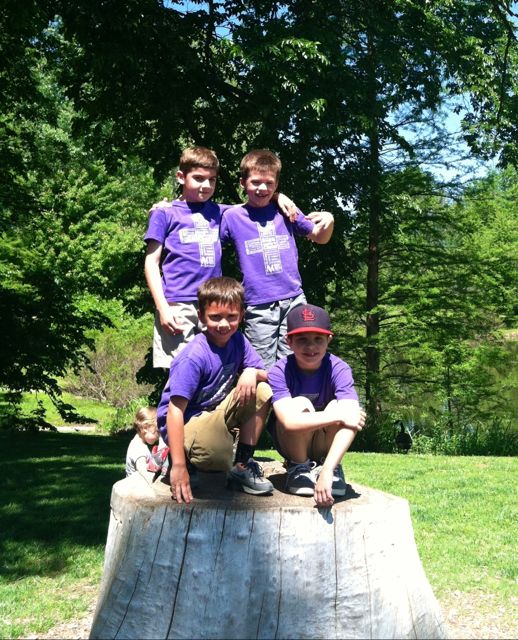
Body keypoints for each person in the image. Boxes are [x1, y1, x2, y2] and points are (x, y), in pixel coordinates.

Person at [144, 146, 297, 370]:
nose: (206, 185)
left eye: (212, 180)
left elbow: (254, 201)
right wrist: (162, 307)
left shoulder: (220, 212)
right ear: (181, 177)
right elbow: (151, 262)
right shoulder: (164, 213)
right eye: (198, 178)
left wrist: (278, 196)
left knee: (215, 367)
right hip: (177, 302)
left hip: (214, 304)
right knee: (181, 370)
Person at [156, 276, 274, 504]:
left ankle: (242, 465)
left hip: (214, 411)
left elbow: (266, 375)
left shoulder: (238, 341)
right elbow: (174, 411)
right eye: (215, 317)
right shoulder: (194, 356)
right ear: (201, 316)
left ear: (241, 315)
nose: (223, 324)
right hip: (186, 420)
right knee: (219, 457)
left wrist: (251, 371)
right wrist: (178, 466)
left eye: (231, 316)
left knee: (262, 390)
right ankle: (180, 459)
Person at [219, 149, 335, 369]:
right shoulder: (232, 216)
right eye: (255, 182)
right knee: (261, 366)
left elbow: (320, 237)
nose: (262, 188)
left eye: (269, 183)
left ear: (276, 184)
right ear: (242, 182)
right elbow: (204, 222)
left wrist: (329, 219)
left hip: (293, 298)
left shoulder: (285, 210)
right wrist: (170, 209)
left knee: (295, 361)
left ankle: (290, 393)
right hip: (258, 303)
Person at [267, 303, 366, 508]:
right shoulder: (279, 371)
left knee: (338, 405)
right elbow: (289, 422)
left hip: (324, 445)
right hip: (291, 443)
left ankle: (331, 468)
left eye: (318, 339)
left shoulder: (339, 368)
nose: (311, 347)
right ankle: (298, 467)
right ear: (289, 341)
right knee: (301, 404)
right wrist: (340, 416)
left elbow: (353, 419)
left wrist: (328, 470)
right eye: (302, 339)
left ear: (328, 340)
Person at [125, 407, 169, 484]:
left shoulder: (138, 442)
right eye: (157, 432)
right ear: (145, 428)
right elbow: (144, 473)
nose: (159, 436)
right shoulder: (138, 449)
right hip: (136, 486)